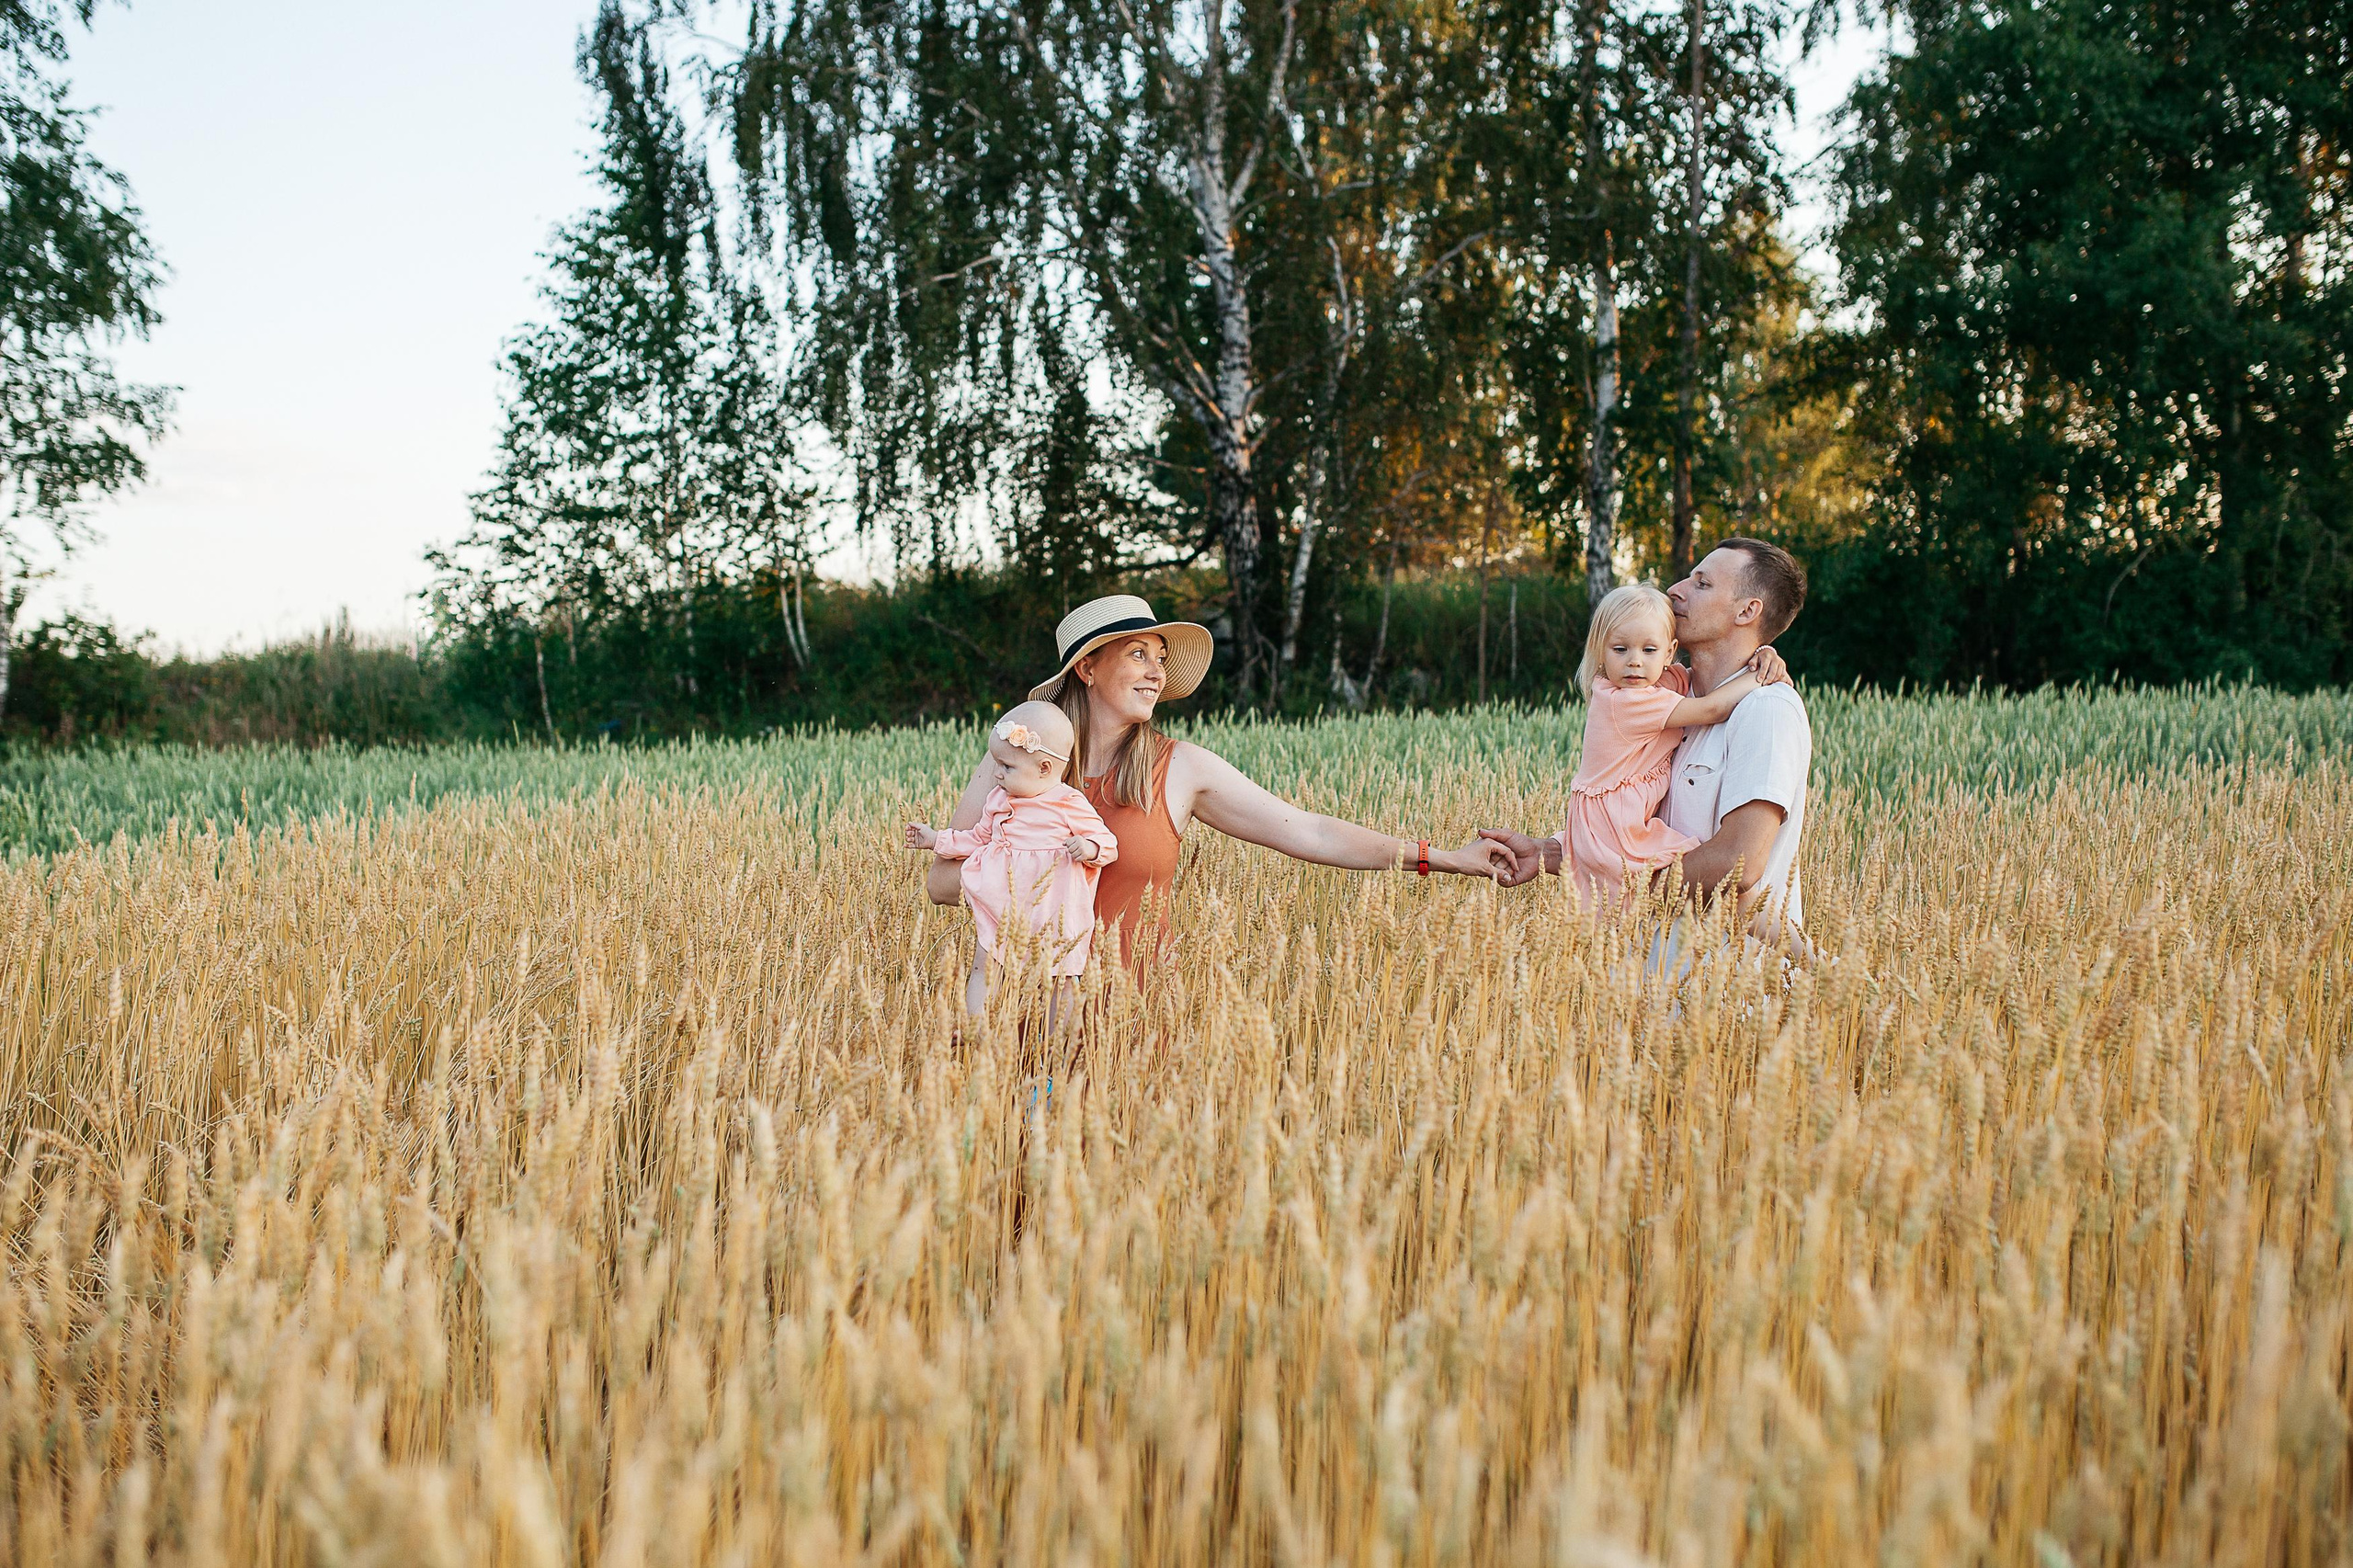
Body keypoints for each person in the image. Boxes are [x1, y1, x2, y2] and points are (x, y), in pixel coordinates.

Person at [924, 595, 1513, 961]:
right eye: (1138, 654)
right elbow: (943, 883)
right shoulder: (1014, 759)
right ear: (1087, 668)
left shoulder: (1180, 768)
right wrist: (1040, 859)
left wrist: (1445, 858)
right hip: (1024, 1013)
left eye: (1160, 658)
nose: (1156, 672)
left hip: (1132, 1023)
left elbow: (1310, 832)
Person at [1484, 539, 1813, 942]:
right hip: (1657, 971)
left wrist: (1630, 884)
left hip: (1725, 974)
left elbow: (1738, 862)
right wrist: (1549, 852)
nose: (1676, 589)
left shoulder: (1765, 709)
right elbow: (1633, 828)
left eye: (1702, 583)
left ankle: (1817, 964)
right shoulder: (1667, 697)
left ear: (1747, 611)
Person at [1555, 583, 1789, 912]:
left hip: (1617, 821)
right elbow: (1711, 708)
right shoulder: (1625, 700)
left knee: (1722, 891)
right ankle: (1803, 944)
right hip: (1618, 828)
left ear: (1668, 653)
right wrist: (1761, 676)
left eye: (1649, 650)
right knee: (1719, 879)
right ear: (1600, 651)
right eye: (1620, 649)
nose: (1635, 662)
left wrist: (1762, 653)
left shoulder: (1658, 681)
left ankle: (1802, 945)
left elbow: (1700, 675)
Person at [906, 702, 1117, 1016]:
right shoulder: (998, 799)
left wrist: (1089, 848)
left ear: (1044, 768)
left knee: (1062, 978)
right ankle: (976, 1026)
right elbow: (977, 838)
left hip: (1052, 908)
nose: (997, 774)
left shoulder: (1069, 803)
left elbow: (1108, 844)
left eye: (1006, 766)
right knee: (985, 963)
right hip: (1003, 904)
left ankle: (1057, 1041)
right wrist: (936, 840)